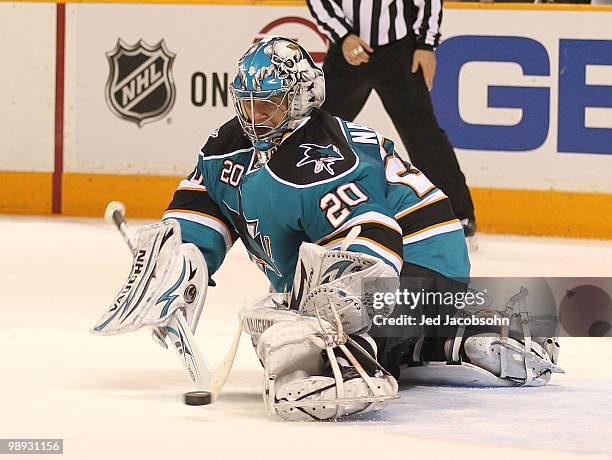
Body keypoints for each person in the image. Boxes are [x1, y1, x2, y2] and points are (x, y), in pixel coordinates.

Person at [94, 37, 561, 422]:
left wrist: (328, 326)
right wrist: (178, 265)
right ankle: (457, 331)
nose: (255, 117)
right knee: (284, 323)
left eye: (269, 105)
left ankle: (383, 352)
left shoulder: (319, 155)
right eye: (248, 103)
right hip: (396, 273)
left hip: (422, 257)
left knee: (293, 334)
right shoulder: (226, 145)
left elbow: (373, 240)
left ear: (301, 101)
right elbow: (201, 209)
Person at [306, 0, 478, 246]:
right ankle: (296, 209)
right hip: (348, 52)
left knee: (423, 135)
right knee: (316, 133)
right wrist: (343, 35)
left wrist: (426, 44)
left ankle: (457, 215)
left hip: (398, 51)